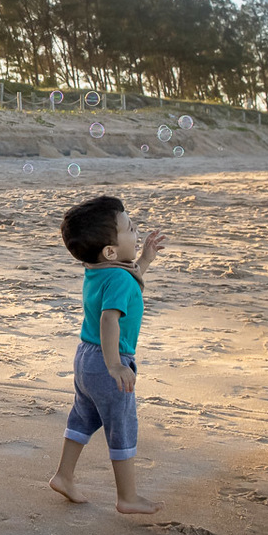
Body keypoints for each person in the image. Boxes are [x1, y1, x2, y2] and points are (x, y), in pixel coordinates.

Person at [48, 195, 167, 515]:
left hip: (86, 358)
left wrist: (145, 260)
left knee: (83, 418)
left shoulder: (99, 270)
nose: (136, 230)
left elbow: (128, 281)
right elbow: (109, 318)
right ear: (111, 251)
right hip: (107, 361)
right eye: (129, 228)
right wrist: (115, 364)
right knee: (122, 425)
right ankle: (127, 497)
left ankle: (63, 475)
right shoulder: (117, 276)